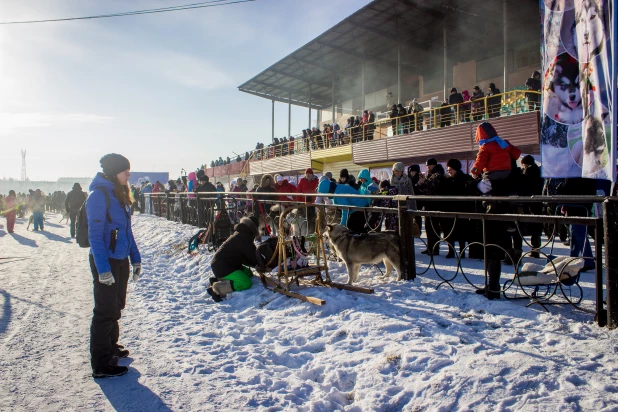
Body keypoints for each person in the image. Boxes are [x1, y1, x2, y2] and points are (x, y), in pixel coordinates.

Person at [87, 153, 141, 378]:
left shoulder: (120, 194)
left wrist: (135, 258)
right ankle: (101, 363)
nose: (129, 174)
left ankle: (111, 345)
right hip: (106, 260)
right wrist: (103, 270)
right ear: (113, 172)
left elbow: (127, 231)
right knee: (104, 310)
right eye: (125, 171)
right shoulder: (99, 196)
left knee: (116, 305)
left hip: (120, 259)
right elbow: (96, 237)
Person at [207, 215, 260, 302]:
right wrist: (261, 264)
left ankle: (218, 280)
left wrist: (255, 264)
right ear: (254, 228)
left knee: (248, 273)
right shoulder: (245, 237)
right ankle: (218, 288)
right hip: (223, 266)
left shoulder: (241, 233)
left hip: (226, 263)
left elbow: (245, 256)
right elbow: (253, 256)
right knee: (245, 282)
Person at [470, 122, 522, 199]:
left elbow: (480, 161)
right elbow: (517, 154)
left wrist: (474, 172)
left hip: (492, 174)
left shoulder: (485, 147)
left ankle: (489, 201)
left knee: (481, 187)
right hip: (506, 172)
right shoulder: (503, 143)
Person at [439, 159, 477, 258]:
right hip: (448, 209)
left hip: (462, 208)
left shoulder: (465, 178)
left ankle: (462, 251)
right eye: (448, 170)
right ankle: (451, 251)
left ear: (456, 168)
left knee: (461, 231)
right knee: (449, 230)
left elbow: (471, 191)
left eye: (450, 169)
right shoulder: (446, 180)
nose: (449, 171)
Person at [296, 168, 319, 233]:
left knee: (314, 217)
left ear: (312, 174)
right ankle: (307, 231)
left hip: (314, 203)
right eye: (307, 173)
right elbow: (298, 191)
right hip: (304, 203)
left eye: (309, 174)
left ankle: (315, 230)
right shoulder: (302, 180)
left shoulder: (316, 181)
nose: (308, 175)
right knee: (306, 217)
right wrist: (298, 202)